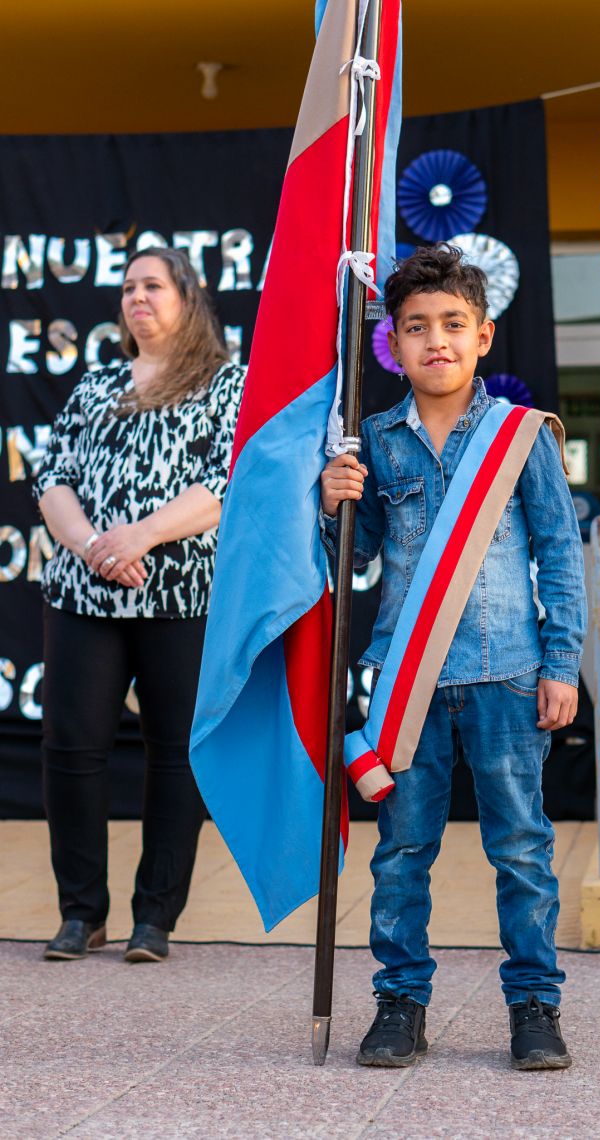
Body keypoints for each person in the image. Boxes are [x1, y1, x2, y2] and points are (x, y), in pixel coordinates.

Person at [320, 244, 586, 1069]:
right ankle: (400, 1001)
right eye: (415, 328)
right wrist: (333, 505)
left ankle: (534, 1007)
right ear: (391, 345)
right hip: (409, 684)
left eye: (453, 325)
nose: (436, 340)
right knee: (401, 851)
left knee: (521, 848)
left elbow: (559, 550)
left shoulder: (519, 436)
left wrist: (562, 661)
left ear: (484, 335)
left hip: (509, 672)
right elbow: (348, 560)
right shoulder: (371, 443)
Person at [35, 247, 245, 964]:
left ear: (188, 298)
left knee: (175, 755)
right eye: (127, 287)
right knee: (71, 750)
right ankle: (80, 913)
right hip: (83, 596)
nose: (136, 297)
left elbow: (224, 482)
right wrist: (95, 545)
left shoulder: (226, 383)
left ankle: (155, 917)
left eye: (152, 285)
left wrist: (141, 537)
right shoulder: (94, 384)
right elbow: (52, 477)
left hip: (180, 597)